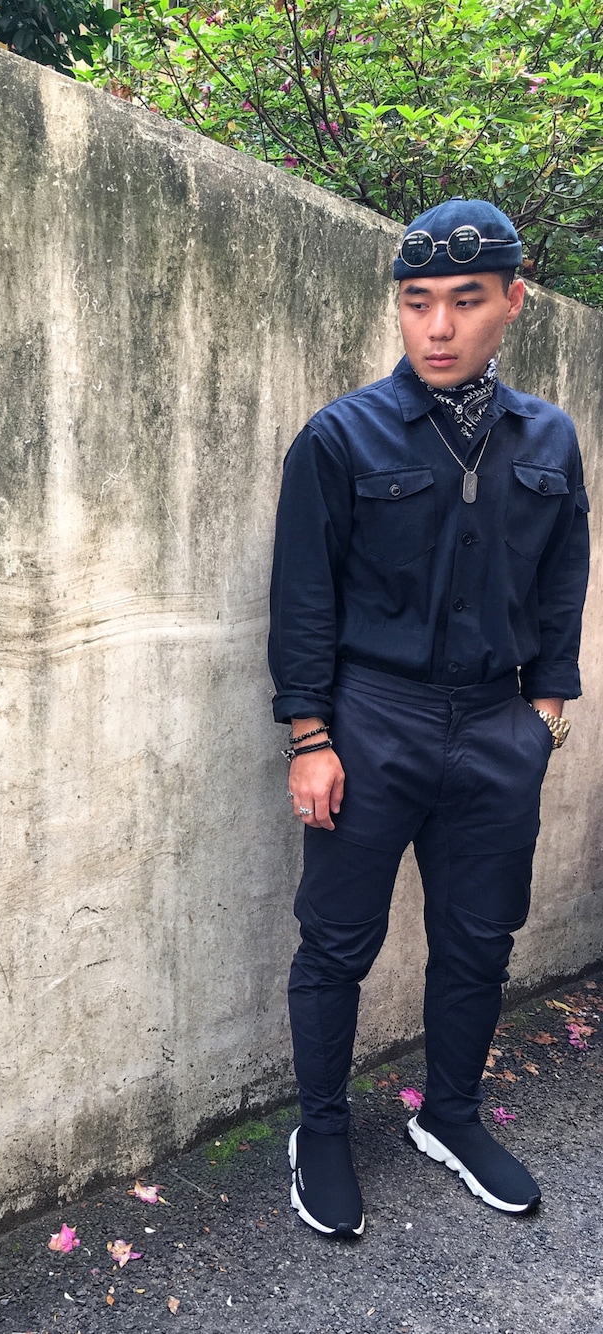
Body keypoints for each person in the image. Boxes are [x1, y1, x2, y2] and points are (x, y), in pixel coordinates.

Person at [268, 198, 591, 1238]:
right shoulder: (341, 436)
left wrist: (543, 712)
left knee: (479, 939)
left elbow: (563, 579)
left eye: (465, 301)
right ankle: (320, 1129)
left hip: (496, 726)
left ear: (512, 302)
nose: (438, 327)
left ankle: (448, 1114)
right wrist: (310, 737)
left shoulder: (549, 437)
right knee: (337, 943)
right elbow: (302, 598)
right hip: (373, 720)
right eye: (417, 303)